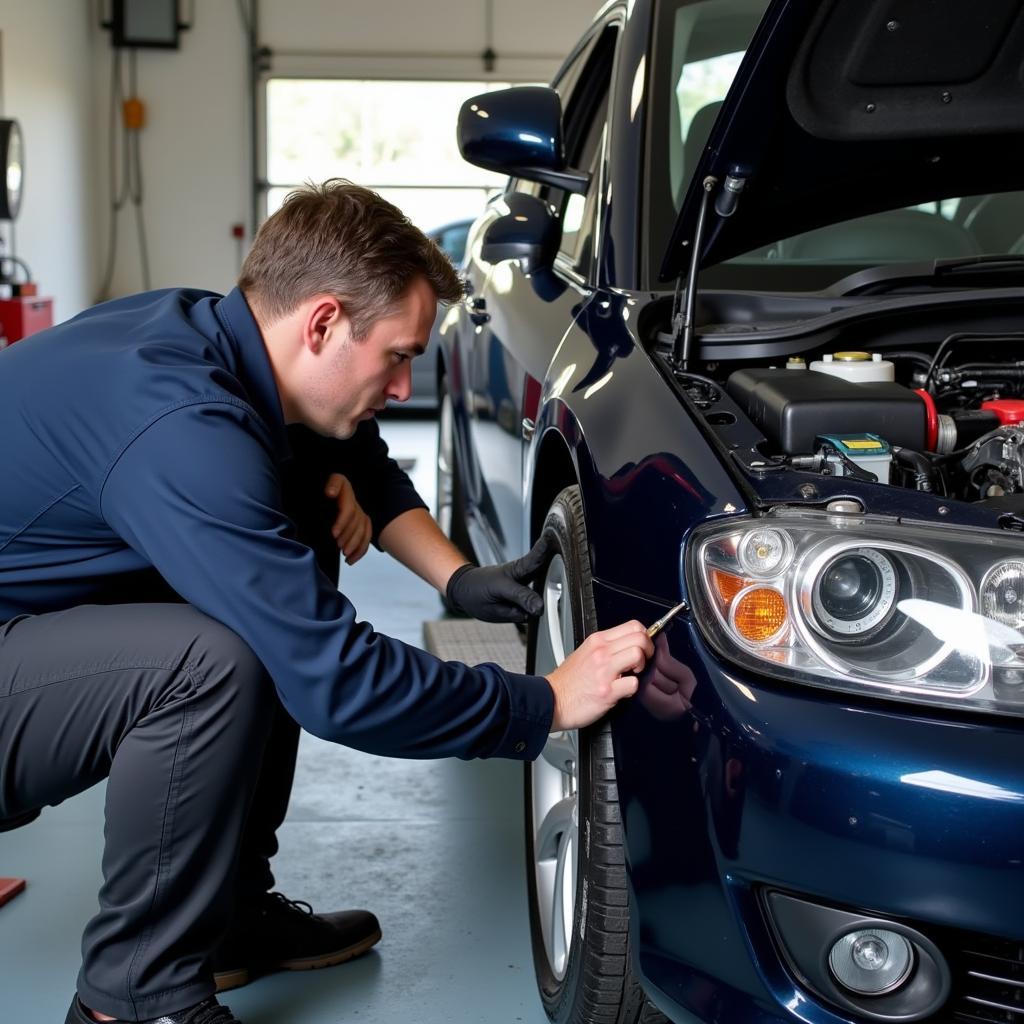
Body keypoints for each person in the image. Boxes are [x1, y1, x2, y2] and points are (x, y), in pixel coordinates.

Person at [0, 180, 653, 1024]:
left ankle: (226, 915)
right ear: (322, 322)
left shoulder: (219, 339)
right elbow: (335, 681)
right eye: (397, 355)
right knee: (211, 665)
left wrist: (456, 578)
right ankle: (132, 999)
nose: (402, 381)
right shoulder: (185, 429)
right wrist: (545, 703)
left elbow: (363, 463)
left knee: (298, 534)